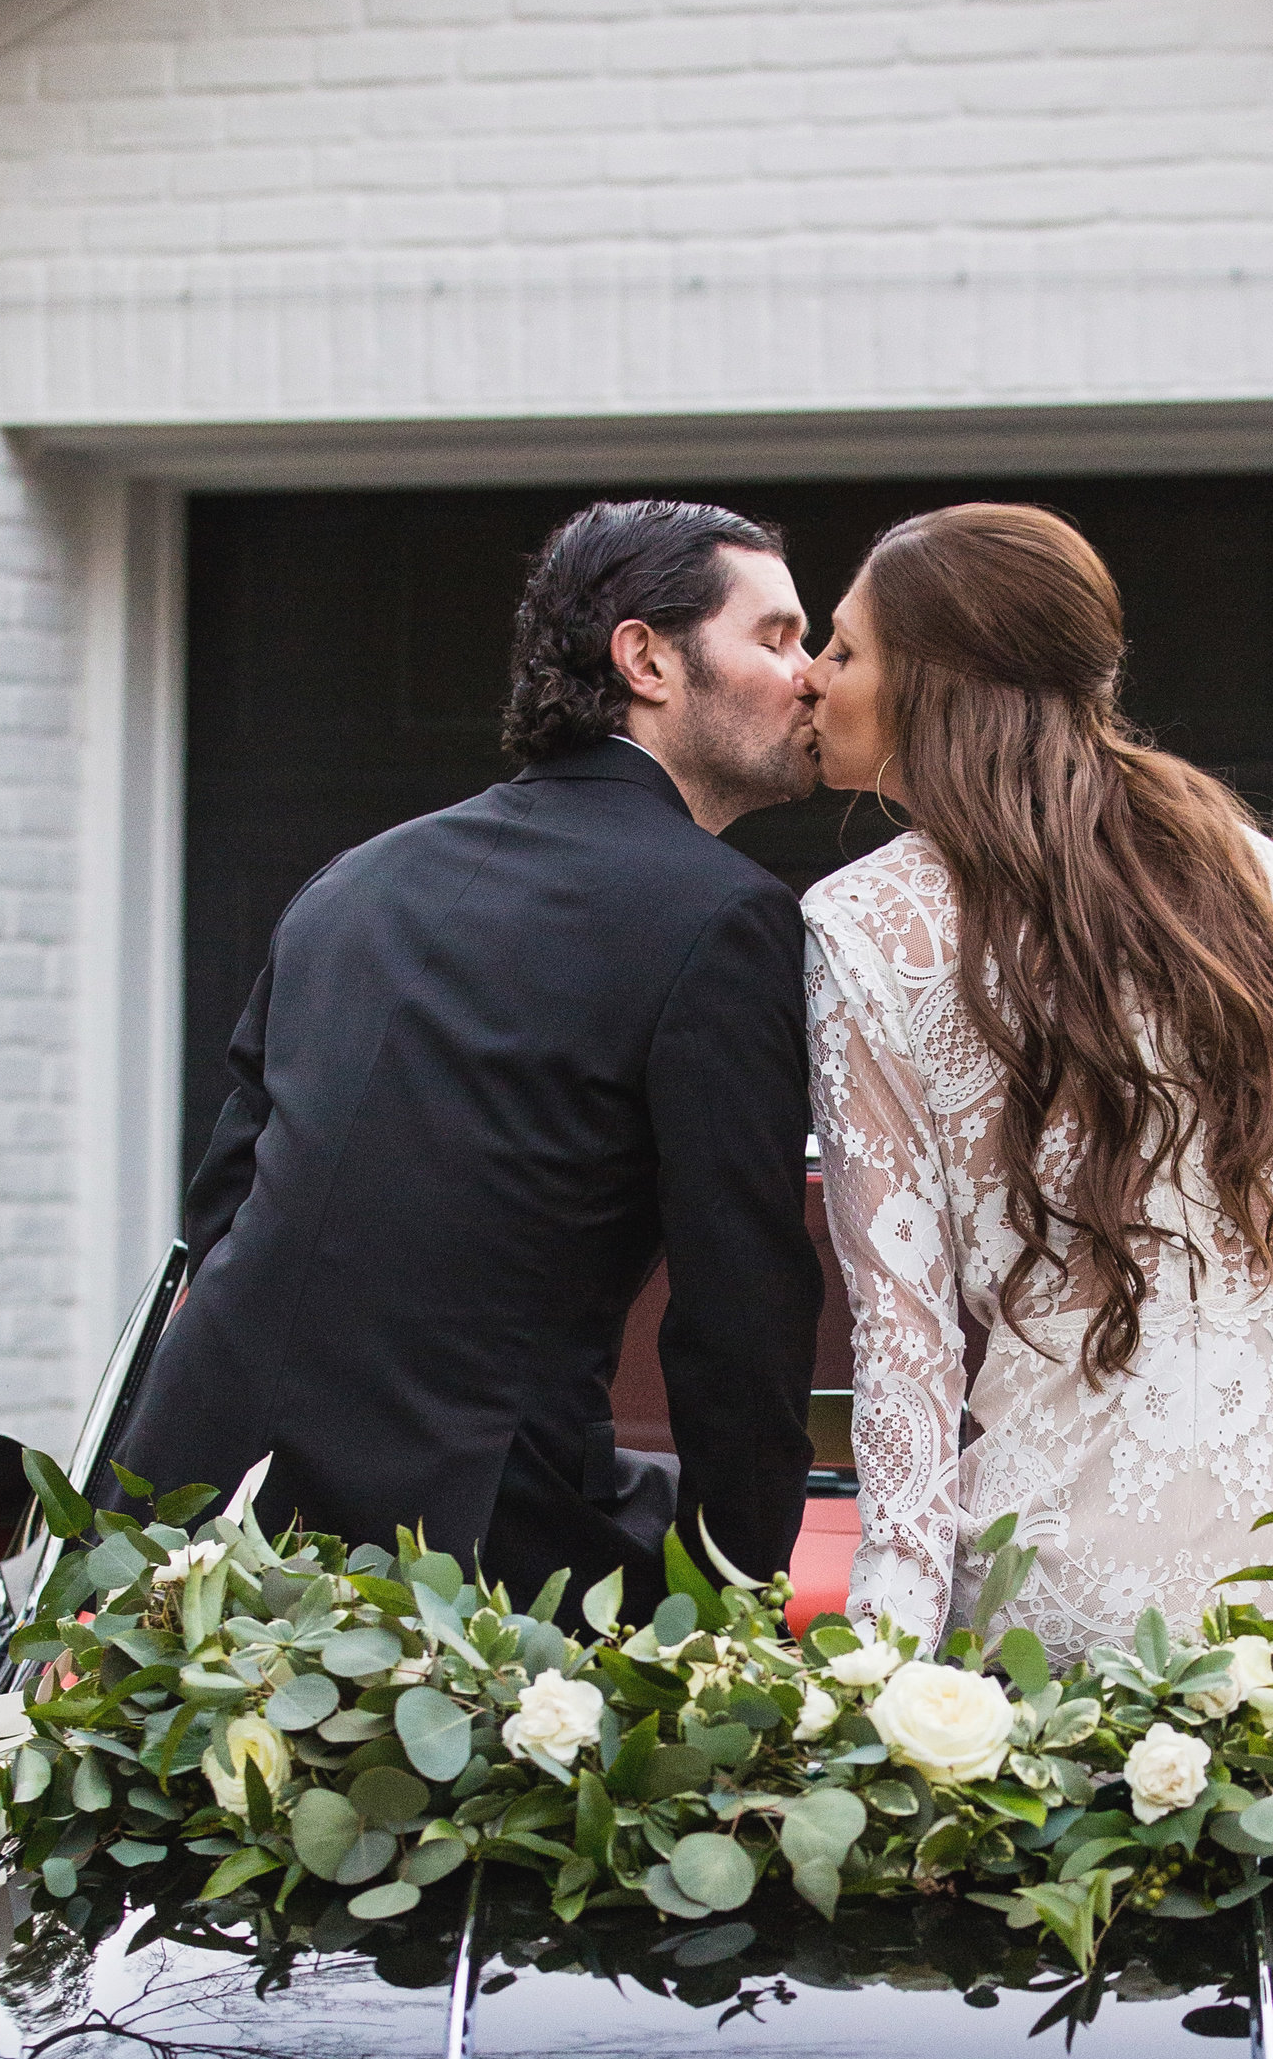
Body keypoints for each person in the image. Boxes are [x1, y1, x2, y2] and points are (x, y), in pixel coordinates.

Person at [797, 501, 1273, 1664]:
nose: (811, 676)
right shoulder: (1226, 857)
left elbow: (904, 1338)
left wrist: (888, 1650)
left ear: (936, 681)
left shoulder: (860, 927)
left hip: (1077, 1569)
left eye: (842, 649)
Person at [116, 498, 825, 1611]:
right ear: (644, 657)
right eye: (775, 638)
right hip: (470, 1560)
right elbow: (739, 1314)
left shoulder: (353, 880)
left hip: (188, 1527)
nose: (810, 676)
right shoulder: (725, 917)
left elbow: (224, 1216)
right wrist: (730, 1595)